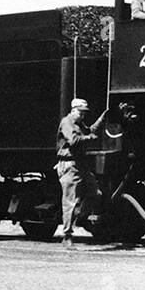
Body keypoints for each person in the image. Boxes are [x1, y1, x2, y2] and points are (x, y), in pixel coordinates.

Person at [57, 97, 108, 248]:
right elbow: (73, 140)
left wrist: (101, 119)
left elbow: (89, 131)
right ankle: (67, 236)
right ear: (73, 111)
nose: (83, 116)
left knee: (96, 194)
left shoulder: (78, 123)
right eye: (81, 113)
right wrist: (89, 138)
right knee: (69, 202)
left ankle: (78, 216)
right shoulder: (67, 122)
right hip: (70, 165)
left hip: (80, 165)